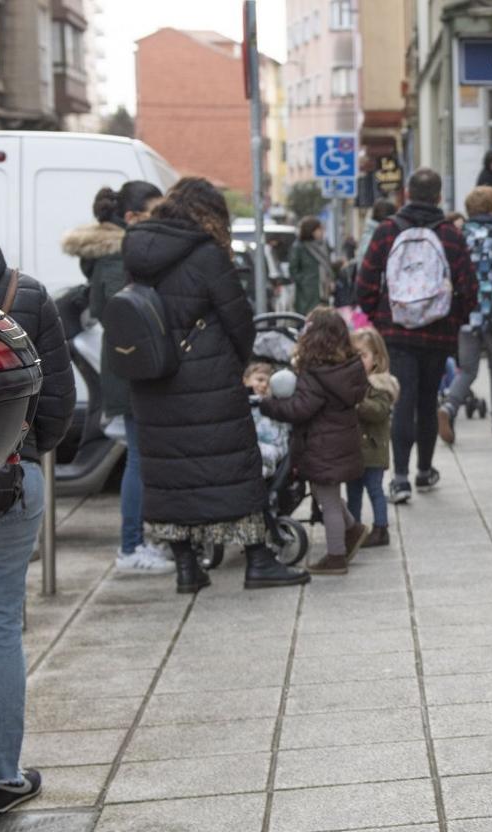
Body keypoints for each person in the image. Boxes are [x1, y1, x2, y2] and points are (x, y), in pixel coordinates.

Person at [122, 177, 311, 593]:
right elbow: (240, 322)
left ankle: (188, 568)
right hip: (209, 384)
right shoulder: (207, 254)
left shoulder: (135, 250)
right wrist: (233, 365)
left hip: (153, 384)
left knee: (172, 477)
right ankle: (259, 560)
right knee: (234, 468)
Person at [0, 237, 75, 815]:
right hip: (6, 480)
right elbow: (60, 403)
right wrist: (22, 447)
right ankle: (0, 776)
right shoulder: (25, 293)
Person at [61, 181, 171, 574]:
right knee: (139, 460)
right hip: (130, 369)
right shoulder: (118, 257)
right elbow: (119, 311)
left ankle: (140, 541)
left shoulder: (112, 254)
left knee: (142, 459)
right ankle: (130, 548)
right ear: (131, 217)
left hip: (125, 365)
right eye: (156, 211)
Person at [357, 167, 478, 504]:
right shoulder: (451, 235)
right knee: (427, 401)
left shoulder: (386, 231)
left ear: (407, 194)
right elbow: (469, 287)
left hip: (395, 330)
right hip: (437, 334)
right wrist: (454, 319)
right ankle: (424, 470)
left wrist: (379, 316)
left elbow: (364, 282)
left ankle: (399, 479)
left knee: (401, 400)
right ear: (439, 197)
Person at [260, 307, 370, 574]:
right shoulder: (349, 367)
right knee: (327, 494)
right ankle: (353, 529)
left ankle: (336, 558)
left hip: (322, 446)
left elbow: (300, 409)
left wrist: (270, 406)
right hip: (342, 443)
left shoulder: (316, 374)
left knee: (328, 503)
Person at [439, 187, 492, 443]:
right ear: (490, 208)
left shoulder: (460, 236)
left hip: (467, 314)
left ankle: (449, 407)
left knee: (468, 369)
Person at [347, 327, 398, 548]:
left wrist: (357, 402)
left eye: (363, 355)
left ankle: (381, 528)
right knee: (353, 491)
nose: (358, 360)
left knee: (374, 489)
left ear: (376, 358)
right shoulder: (353, 381)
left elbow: (378, 411)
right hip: (354, 449)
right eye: (354, 355)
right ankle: (354, 526)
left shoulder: (379, 384)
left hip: (373, 448)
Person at [245, 362, 290, 479]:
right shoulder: (236, 404)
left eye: (269, 384)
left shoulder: (275, 410)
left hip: (263, 461)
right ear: (245, 380)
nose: (264, 385)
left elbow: (280, 445)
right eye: (260, 380)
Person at [290, 216, 334, 315]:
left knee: (324, 319)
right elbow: (293, 270)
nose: (322, 232)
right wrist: (305, 282)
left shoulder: (324, 245)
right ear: (311, 230)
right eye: (319, 229)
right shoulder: (299, 247)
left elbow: (328, 266)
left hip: (324, 291)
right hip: (307, 294)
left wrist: (330, 280)